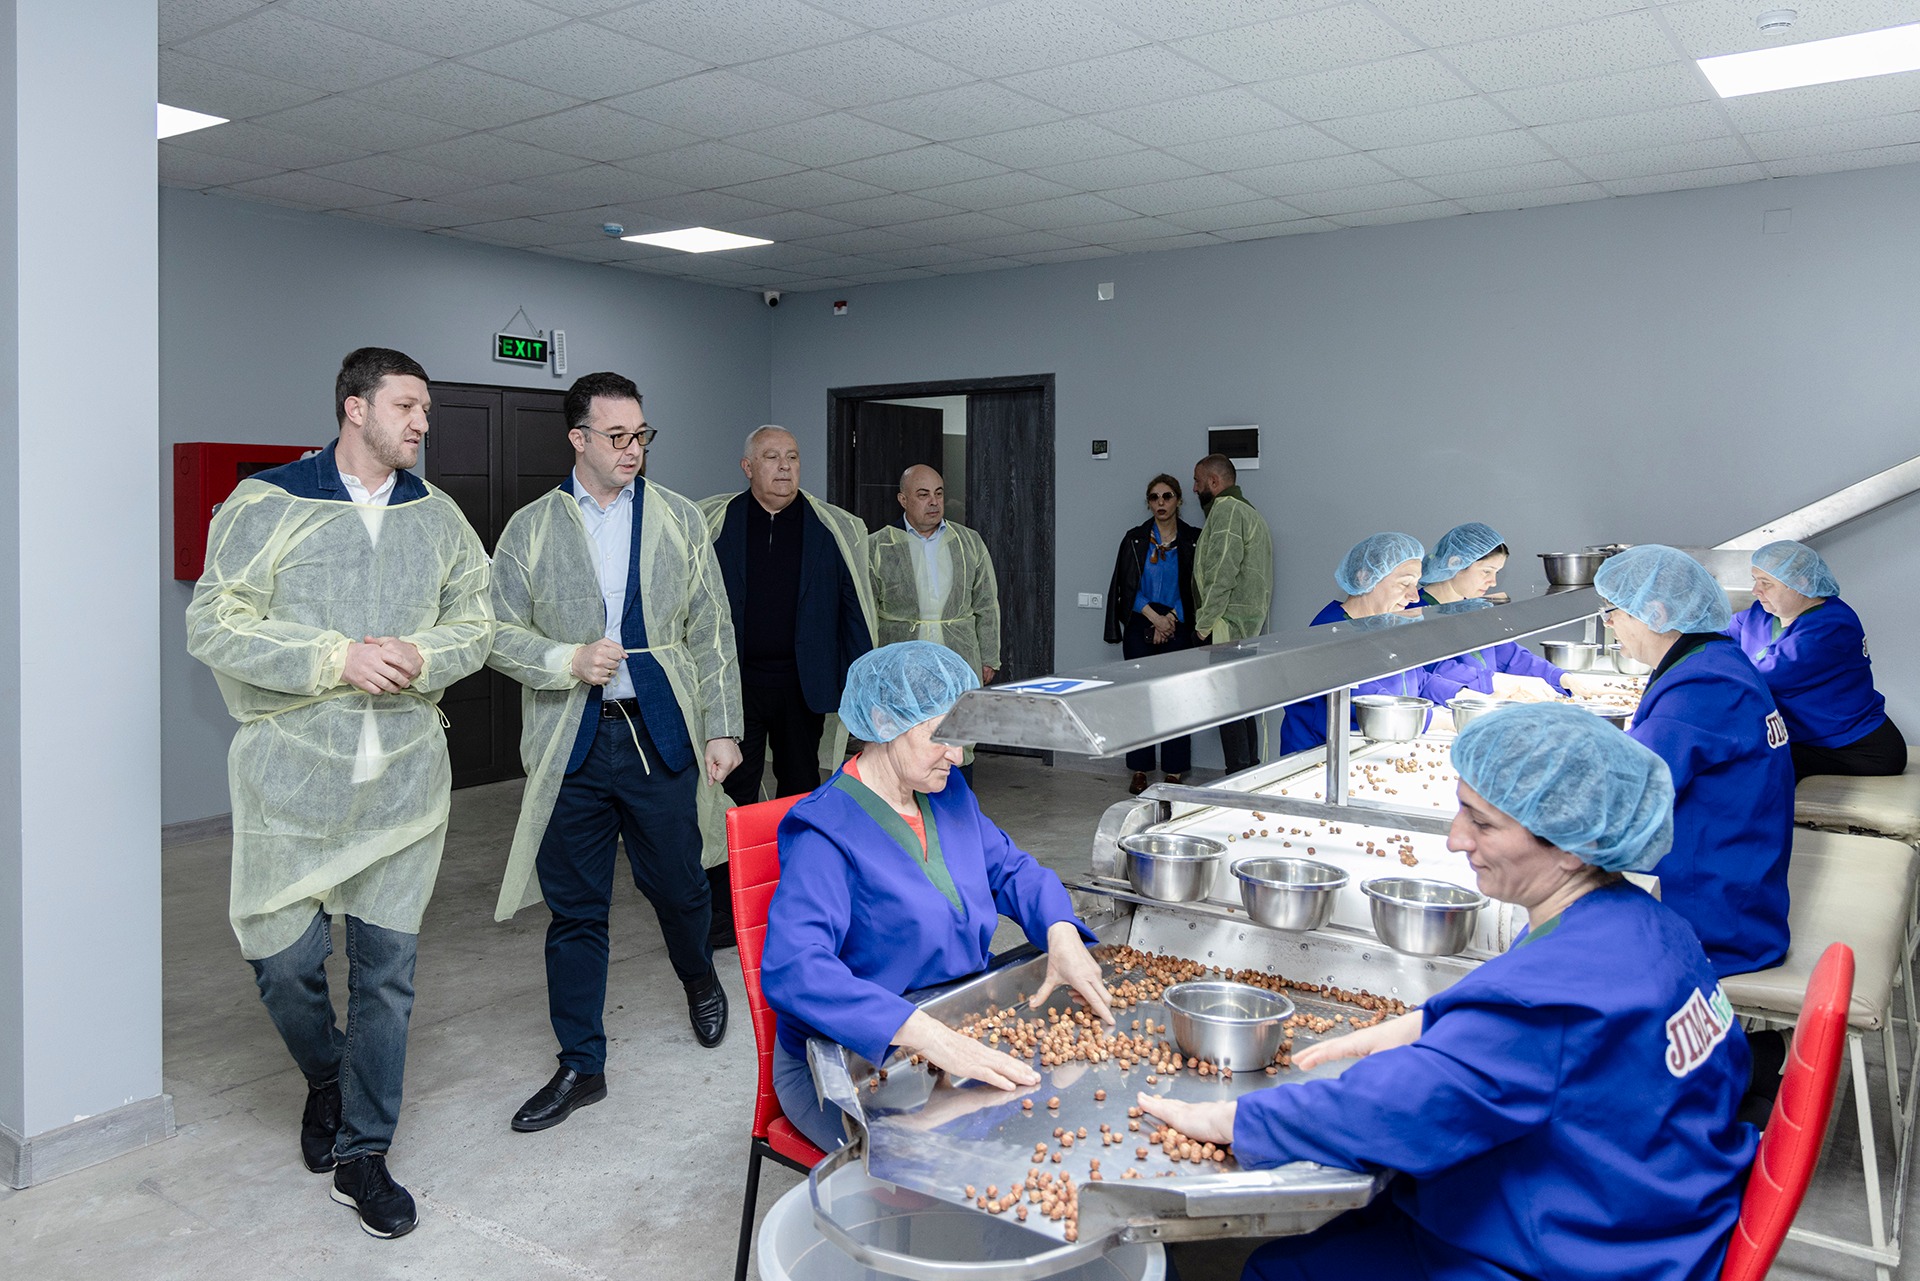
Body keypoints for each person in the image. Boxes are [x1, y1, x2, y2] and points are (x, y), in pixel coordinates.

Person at [1143, 703, 1755, 1281]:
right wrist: (1433, 1021)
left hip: (1582, 1253)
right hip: (1670, 1217)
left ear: (1569, 847)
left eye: (1483, 823)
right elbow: (1702, 1066)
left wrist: (1234, 1119)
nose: (1456, 839)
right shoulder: (1658, 931)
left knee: (1282, 1269)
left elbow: (1396, 1112)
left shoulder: (1547, 999)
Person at [185, 347, 493, 1239]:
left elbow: (475, 621)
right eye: (406, 406)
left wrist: (422, 653)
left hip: (403, 782)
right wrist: (335, 657)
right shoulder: (269, 502)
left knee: (385, 975)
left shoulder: (437, 514)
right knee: (283, 963)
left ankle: (364, 1154)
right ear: (355, 408)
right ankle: (329, 1073)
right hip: (292, 782)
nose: (422, 422)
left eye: (426, 408)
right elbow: (216, 621)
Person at [487, 371, 744, 1136]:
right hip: (570, 741)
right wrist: (565, 660)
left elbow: (712, 627)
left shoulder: (678, 518)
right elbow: (496, 633)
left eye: (641, 435)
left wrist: (722, 727)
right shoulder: (531, 528)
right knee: (575, 909)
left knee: (680, 886)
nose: (634, 449)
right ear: (578, 439)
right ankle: (581, 1063)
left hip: (658, 731)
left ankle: (698, 975)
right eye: (618, 435)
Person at [761, 642, 1114, 1152]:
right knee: (955, 1163)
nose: (958, 755)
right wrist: (928, 1036)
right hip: (849, 1058)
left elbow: (1011, 870)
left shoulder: (947, 794)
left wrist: (1061, 932)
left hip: (952, 1016)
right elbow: (794, 968)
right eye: (939, 737)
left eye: (961, 736)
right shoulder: (825, 831)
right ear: (884, 721)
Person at [699, 425, 875, 948]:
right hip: (736, 687)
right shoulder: (715, 523)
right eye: (772, 457)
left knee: (801, 791)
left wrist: (864, 692)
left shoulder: (832, 528)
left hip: (803, 687)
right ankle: (728, 909)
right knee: (734, 796)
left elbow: (853, 610)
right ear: (747, 467)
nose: (784, 467)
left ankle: (799, 900)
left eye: (792, 457)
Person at [1596, 545, 1794, 978]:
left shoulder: (1700, 689)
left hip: (1712, 922)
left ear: (1654, 613)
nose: (1608, 624)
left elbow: (1624, 799)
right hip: (1741, 891)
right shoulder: (1716, 660)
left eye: (1613, 612)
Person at [1279, 533, 1475, 756]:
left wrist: (1464, 698)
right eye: (1404, 584)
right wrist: (1445, 720)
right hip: (1322, 758)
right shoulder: (1330, 632)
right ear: (1365, 578)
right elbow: (1372, 702)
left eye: (1416, 584)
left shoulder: (1385, 624)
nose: (1414, 596)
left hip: (1375, 747)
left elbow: (1416, 678)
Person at [1728, 539, 1906, 780]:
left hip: (1858, 747)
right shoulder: (1763, 613)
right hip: (1806, 738)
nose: (1756, 591)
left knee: (1754, 765)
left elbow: (1760, 676)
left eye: (1766, 583)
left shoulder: (1832, 627)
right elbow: (1716, 636)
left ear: (1800, 583)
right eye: (1755, 580)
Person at [869, 465, 1001, 782]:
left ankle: (957, 805)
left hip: (958, 659)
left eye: (939, 494)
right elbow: (867, 612)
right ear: (903, 499)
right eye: (923, 494)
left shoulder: (968, 542)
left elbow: (986, 603)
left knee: (957, 739)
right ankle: (907, 807)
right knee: (906, 739)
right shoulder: (879, 546)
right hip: (901, 665)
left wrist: (988, 657)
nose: (933, 502)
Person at [1105, 473, 1202, 794]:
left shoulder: (1193, 539)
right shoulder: (1135, 539)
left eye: (1167, 496)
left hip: (1178, 623)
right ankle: (1140, 768)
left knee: (1176, 697)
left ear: (1179, 500)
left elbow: (1197, 587)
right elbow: (1126, 586)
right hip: (1141, 621)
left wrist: (1170, 618)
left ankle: (1174, 769)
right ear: (1148, 503)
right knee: (1140, 698)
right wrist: (1153, 618)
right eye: (1154, 497)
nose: (1161, 503)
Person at [1417, 522, 1570, 701]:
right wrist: (1496, 681)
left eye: (1497, 572)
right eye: (1486, 572)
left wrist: (1562, 678)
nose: (1493, 582)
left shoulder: (1473, 608)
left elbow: (1510, 656)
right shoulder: (1414, 612)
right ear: (1455, 563)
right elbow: (1433, 670)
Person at [1190, 454, 1273, 773]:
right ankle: (1248, 774)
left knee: (1229, 707)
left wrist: (1203, 626)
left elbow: (1221, 572)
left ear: (1214, 482)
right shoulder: (1249, 512)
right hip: (1246, 629)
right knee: (1242, 705)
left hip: (1225, 626)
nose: (1194, 489)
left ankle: (1236, 779)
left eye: (1197, 481)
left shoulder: (1227, 510)